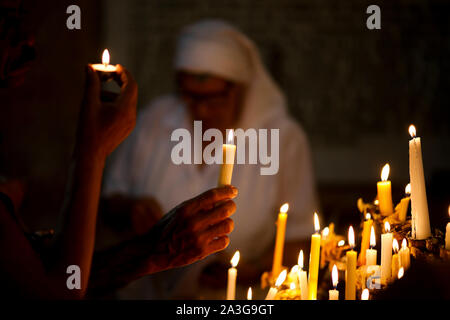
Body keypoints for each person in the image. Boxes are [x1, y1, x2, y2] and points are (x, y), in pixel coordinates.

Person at [0, 1, 237, 299]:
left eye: (213, 97)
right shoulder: (155, 123)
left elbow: (49, 275)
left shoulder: (276, 134)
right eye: (8, 22)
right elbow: (57, 292)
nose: (29, 42)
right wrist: (91, 151)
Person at [103, 19, 319, 299]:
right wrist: (131, 210)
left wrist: (250, 270)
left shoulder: (283, 139)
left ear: (240, 89)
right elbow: (108, 203)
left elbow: (301, 238)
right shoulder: (153, 123)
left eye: (214, 98)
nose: (202, 110)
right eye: (191, 97)